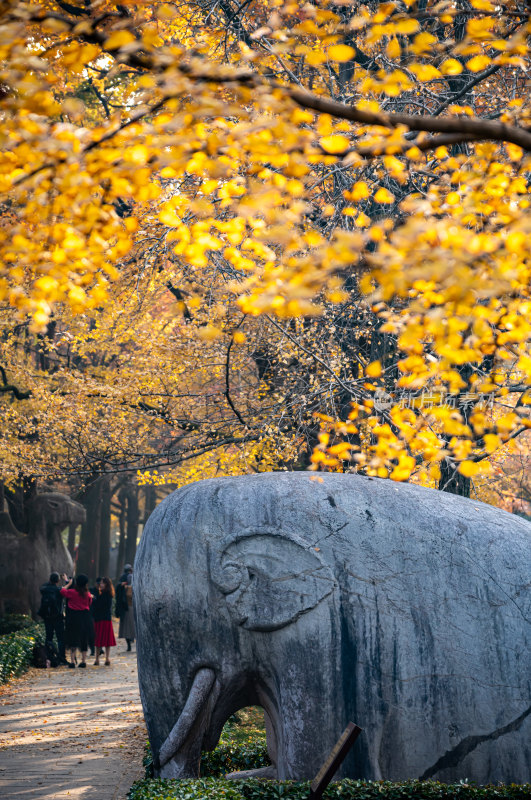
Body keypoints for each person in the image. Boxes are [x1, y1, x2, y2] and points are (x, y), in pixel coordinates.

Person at [60, 573, 93, 668]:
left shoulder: (72, 592)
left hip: (73, 618)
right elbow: (90, 603)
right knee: (84, 638)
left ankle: (72, 661)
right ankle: (83, 661)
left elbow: (62, 591)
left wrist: (68, 584)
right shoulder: (87, 594)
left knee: (73, 639)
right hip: (85, 618)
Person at [38, 572, 67, 665]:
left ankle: (48, 657)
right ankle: (62, 657)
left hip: (47, 617)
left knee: (48, 637)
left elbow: (43, 586)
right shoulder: (59, 590)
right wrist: (66, 581)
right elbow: (67, 591)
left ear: (49, 580)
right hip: (58, 617)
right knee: (61, 638)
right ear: (58, 581)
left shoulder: (44, 589)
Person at [92, 577, 116, 666]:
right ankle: (98, 659)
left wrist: (94, 598)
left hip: (104, 619)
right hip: (101, 618)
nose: (100, 585)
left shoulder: (107, 594)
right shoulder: (101, 593)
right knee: (99, 640)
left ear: (106, 584)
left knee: (105, 640)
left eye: (102, 583)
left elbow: (100, 605)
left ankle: (106, 658)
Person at [117, 564, 135, 651]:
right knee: (129, 627)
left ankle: (129, 644)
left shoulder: (123, 583)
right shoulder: (123, 585)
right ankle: (129, 644)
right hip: (128, 607)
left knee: (128, 628)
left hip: (129, 607)